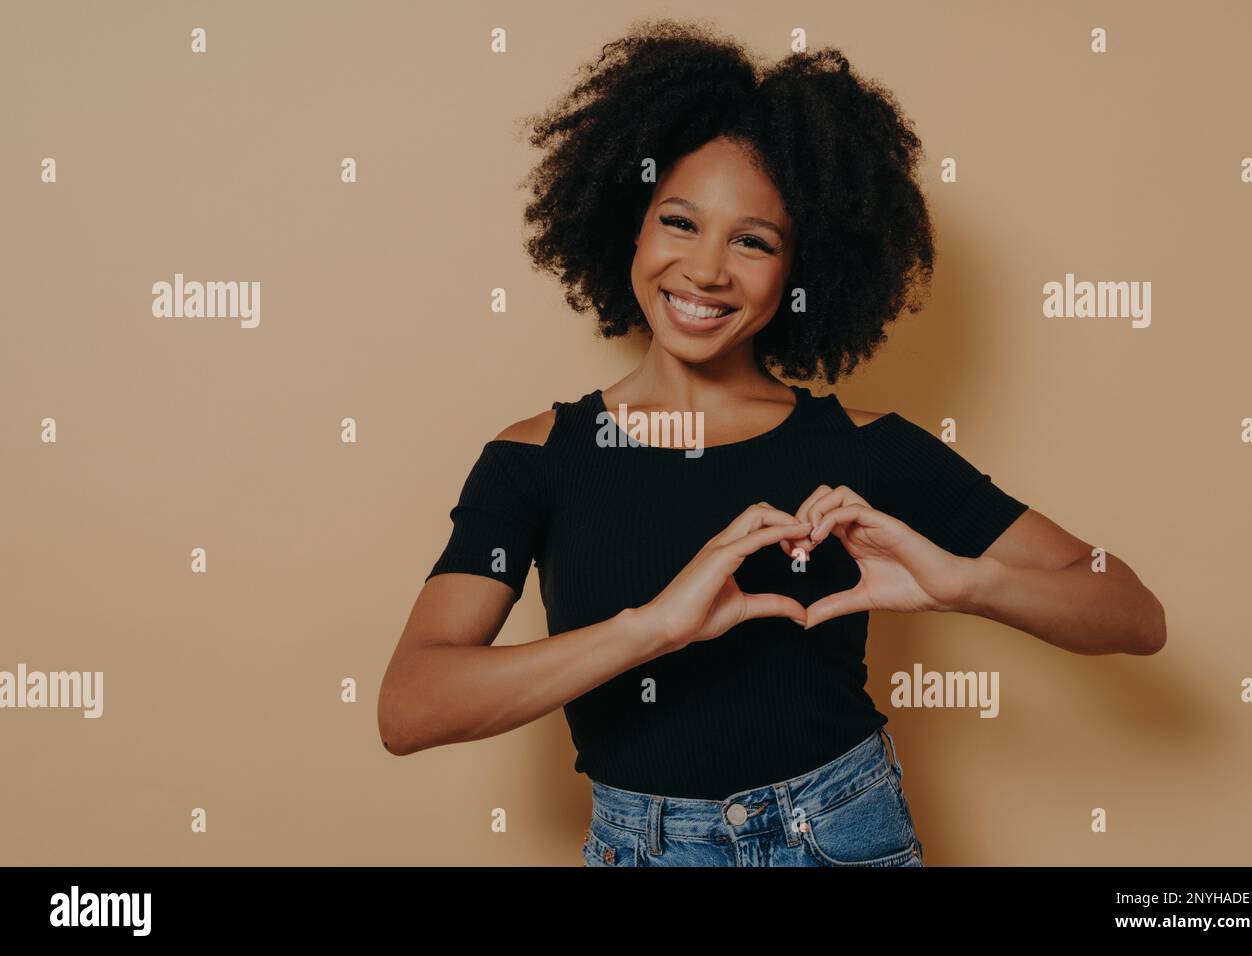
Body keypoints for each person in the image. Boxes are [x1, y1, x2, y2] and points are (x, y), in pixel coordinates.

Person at [377, 19, 1167, 867]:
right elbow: (411, 707)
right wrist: (651, 629)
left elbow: (1131, 612)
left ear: (803, 271)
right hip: (646, 848)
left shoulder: (868, 447)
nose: (709, 270)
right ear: (629, 227)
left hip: (842, 831)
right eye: (680, 222)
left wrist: (966, 583)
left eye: (753, 241)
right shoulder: (535, 457)